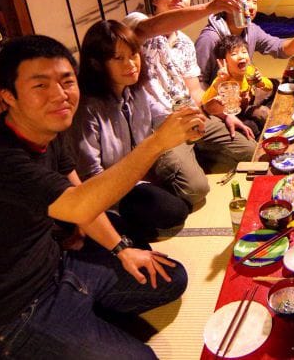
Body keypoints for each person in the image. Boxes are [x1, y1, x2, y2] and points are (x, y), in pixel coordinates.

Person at [0, 35, 205, 358]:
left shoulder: (50, 129)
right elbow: (79, 207)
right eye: (40, 86)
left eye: (66, 81)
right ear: (8, 95)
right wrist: (157, 143)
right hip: (13, 311)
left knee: (171, 277)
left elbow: (80, 194)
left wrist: (121, 250)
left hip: (60, 264)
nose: (60, 96)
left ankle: (77, 325)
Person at [66, 20, 209, 242]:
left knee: (180, 207)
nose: (131, 64)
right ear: (97, 64)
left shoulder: (136, 89)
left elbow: (162, 116)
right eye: (118, 58)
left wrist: (188, 124)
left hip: (138, 176)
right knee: (172, 214)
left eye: (133, 54)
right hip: (109, 191)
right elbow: (90, 177)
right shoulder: (87, 109)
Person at [125, 0, 257, 168]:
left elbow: (195, 91)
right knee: (195, 188)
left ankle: (200, 153)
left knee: (252, 151)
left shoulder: (185, 43)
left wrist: (225, 114)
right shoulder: (137, 24)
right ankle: (191, 158)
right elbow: (153, 27)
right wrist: (209, 8)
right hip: (160, 127)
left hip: (192, 115)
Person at [194, 0, 294, 89]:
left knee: (281, 86)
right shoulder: (209, 39)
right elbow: (197, 82)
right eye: (245, 0)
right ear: (227, 3)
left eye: (255, 1)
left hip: (245, 90)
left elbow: (277, 47)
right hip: (223, 99)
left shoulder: (251, 29)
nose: (252, 7)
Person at [202, 35, 274, 137]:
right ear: (224, 61)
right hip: (231, 115)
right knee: (254, 123)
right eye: (234, 54)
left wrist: (260, 81)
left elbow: (269, 87)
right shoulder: (223, 79)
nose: (241, 56)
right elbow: (205, 103)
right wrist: (219, 81)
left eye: (244, 52)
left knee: (274, 84)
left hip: (246, 106)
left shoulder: (249, 71)